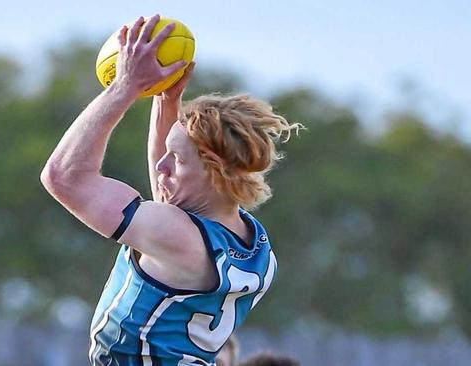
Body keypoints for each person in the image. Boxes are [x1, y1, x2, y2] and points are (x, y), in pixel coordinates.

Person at [40, 14, 302, 366]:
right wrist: (167, 101)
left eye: (175, 159)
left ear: (216, 172)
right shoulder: (256, 247)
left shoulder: (178, 237)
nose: (161, 166)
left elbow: (63, 177)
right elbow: (168, 202)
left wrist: (124, 87)